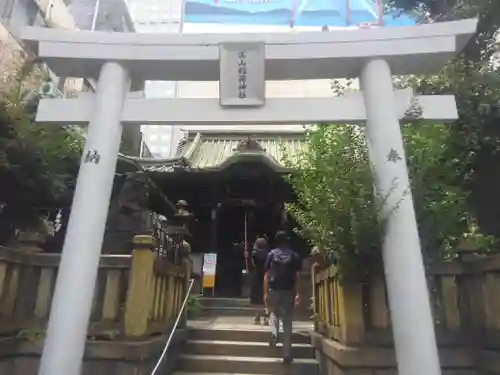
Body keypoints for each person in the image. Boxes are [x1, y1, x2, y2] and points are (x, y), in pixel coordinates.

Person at [263, 231, 301, 365]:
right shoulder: (294, 255)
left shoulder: (271, 254)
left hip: (274, 289)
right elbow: (297, 276)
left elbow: (267, 275)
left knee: (273, 313)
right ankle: (286, 354)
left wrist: (265, 293)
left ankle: (274, 332)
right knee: (287, 322)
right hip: (288, 290)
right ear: (287, 240)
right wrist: (297, 293)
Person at [251, 237, 269, 325]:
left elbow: (252, 264)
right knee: (266, 297)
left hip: (257, 276)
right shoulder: (268, 254)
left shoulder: (254, 254)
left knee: (257, 298)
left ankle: (257, 317)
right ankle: (266, 316)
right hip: (266, 276)